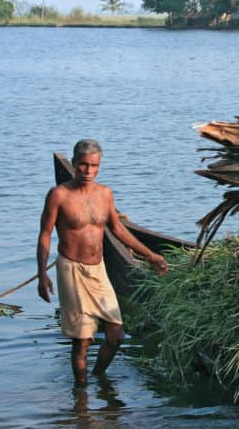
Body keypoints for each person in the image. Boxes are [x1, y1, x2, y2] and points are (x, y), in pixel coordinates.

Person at [38, 139, 168, 385]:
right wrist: (42, 274)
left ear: (99, 166)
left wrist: (150, 255)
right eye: (83, 165)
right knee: (83, 341)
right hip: (72, 270)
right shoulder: (59, 195)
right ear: (75, 164)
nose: (88, 171)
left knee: (116, 335)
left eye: (94, 166)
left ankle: (98, 378)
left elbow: (117, 229)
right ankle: (82, 395)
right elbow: (45, 234)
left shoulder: (104, 194)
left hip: (98, 271)